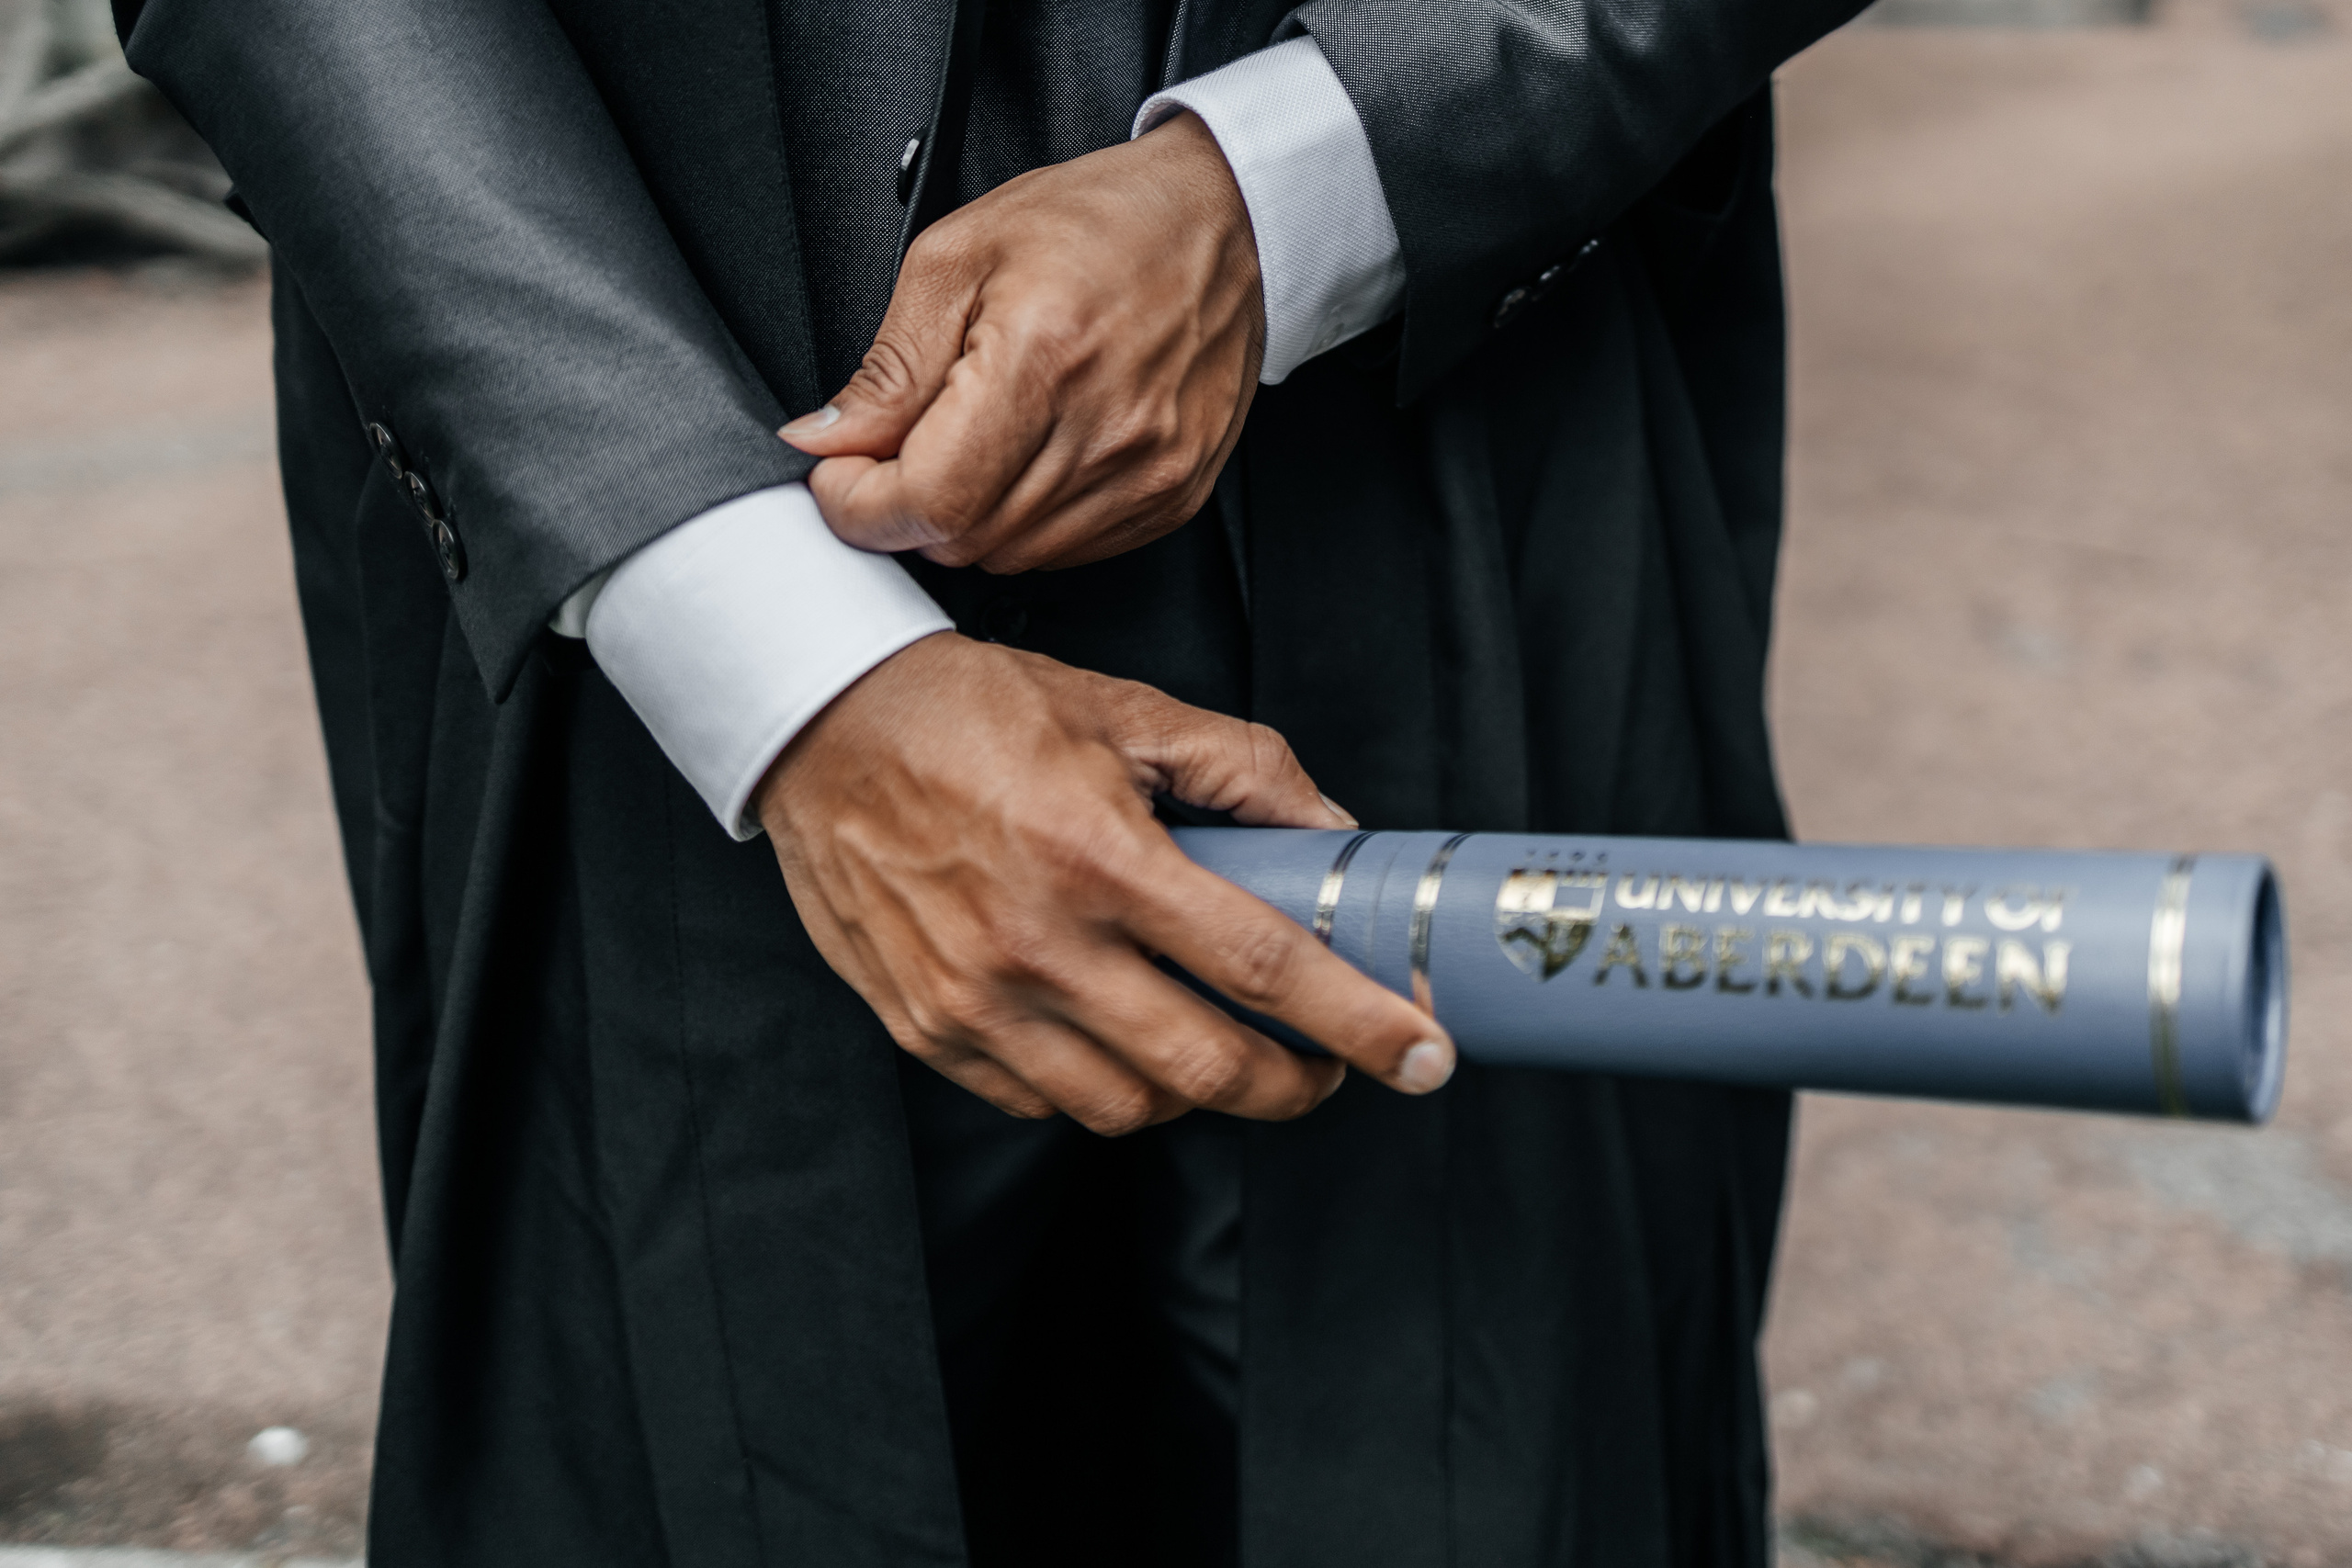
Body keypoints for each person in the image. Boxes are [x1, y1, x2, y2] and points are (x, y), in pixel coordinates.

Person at [119, 0, 1866, 1562]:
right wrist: (775, 653)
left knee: (1498, 1447)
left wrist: (1299, 179)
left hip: (1474, 374)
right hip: (634, 405)